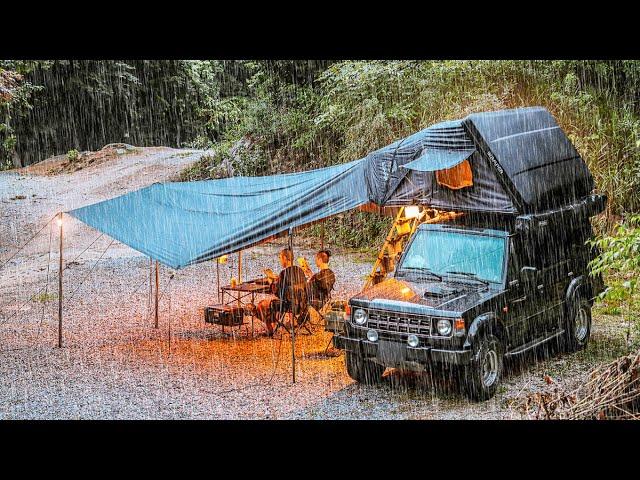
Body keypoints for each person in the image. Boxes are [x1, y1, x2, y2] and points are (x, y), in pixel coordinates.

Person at [256, 248, 307, 336]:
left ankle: (270, 330)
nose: (280, 260)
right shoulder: (300, 271)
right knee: (273, 302)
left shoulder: (284, 273)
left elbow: (277, 292)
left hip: (288, 305)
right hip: (301, 304)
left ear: (284, 258)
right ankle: (277, 323)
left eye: (280, 258)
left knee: (262, 305)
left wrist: (271, 281)